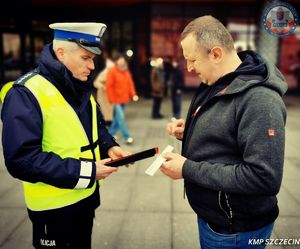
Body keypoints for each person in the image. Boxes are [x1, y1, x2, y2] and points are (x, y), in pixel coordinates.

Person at [160, 16, 288, 249]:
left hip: (235, 229)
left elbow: (264, 178)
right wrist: (189, 130)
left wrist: (187, 168)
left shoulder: (261, 101)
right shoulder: (218, 80)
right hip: (214, 217)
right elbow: (227, 132)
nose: (188, 67)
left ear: (216, 54)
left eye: (193, 60)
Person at [1, 22, 131, 249]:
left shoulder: (79, 83)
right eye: (85, 58)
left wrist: (109, 146)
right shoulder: (25, 93)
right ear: (60, 53)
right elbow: (21, 160)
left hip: (86, 200)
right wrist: (88, 171)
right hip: (53, 211)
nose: (92, 66)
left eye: (93, 58)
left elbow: (94, 126)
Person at [93, 56, 114, 125]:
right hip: (103, 95)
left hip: (109, 95)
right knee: (104, 110)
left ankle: (108, 123)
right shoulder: (105, 73)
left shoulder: (112, 73)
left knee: (109, 111)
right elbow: (96, 83)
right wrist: (103, 86)